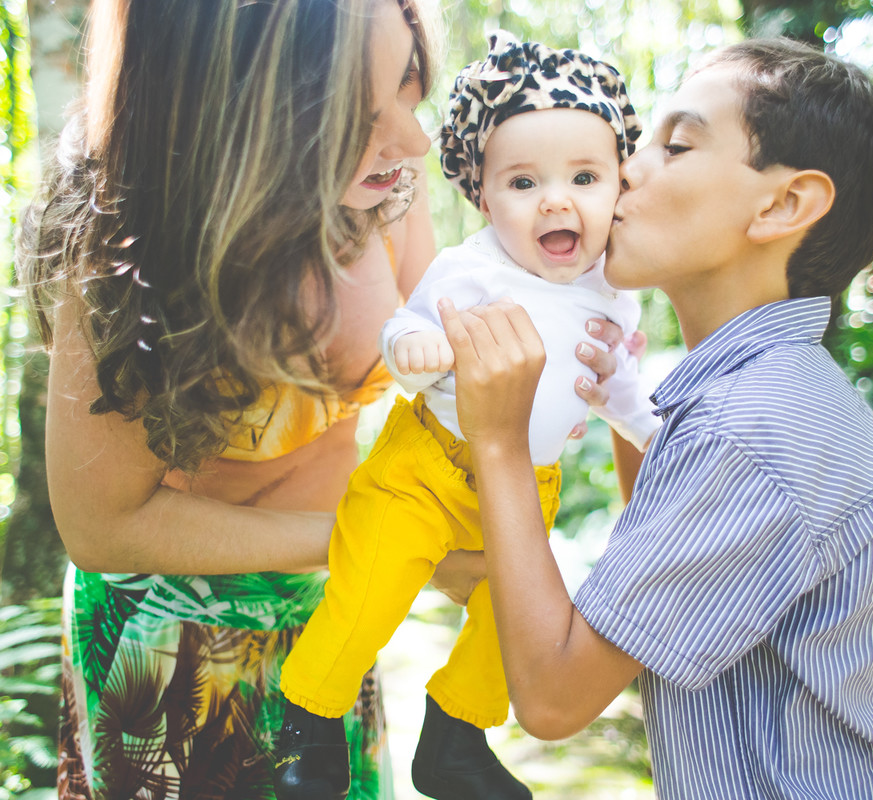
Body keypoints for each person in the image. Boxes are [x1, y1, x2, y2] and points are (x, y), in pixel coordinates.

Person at [18, 1, 635, 797]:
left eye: (409, 94)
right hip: (175, 646)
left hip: (337, 607)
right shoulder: (124, 241)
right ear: (244, 117)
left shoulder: (388, 195)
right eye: (363, 116)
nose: (414, 140)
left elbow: (453, 358)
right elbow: (104, 527)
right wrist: (393, 540)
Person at [439, 38, 873, 800]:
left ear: (781, 205)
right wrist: (616, 399)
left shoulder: (749, 428)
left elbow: (552, 695)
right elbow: (663, 580)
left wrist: (499, 441)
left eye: (675, 146)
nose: (625, 167)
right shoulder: (769, 392)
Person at [274, 32, 659, 800]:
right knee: (370, 584)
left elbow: (618, 388)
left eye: (584, 176)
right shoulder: (474, 267)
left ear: (620, 187)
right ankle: (308, 723)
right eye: (523, 182)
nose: (556, 199)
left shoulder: (614, 293)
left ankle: (457, 735)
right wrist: (415, 345)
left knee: (513, 614)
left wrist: (655, 432)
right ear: (483, 199)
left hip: (525, 485)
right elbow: (407, 323)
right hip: (427, 467)